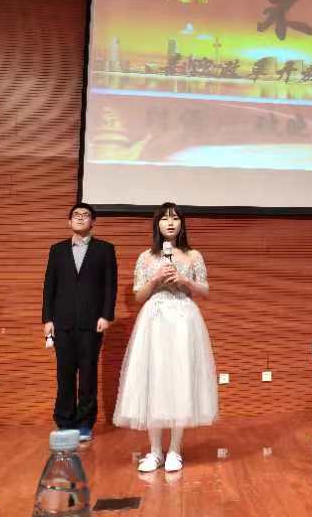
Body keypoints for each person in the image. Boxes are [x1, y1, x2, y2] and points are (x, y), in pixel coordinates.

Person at [113, 202, 218, 472]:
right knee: (154, 379)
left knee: (180, 379)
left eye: (175, 218)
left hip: (184, 319)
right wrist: (156, 278)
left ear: (182, 224)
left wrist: (185, 281)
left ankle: (174, 450)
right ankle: (155, 451)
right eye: (164, 219)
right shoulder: (146, 257)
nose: (170, 223)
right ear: (157, 224)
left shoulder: (193, 255)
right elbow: (138, 295)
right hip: (155, 320)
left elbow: (205, 290)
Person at [42, 202, 117, 441]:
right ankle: (64, 421)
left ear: (93, 221)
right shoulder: (57, 250)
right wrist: (47, 319)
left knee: (87, 374)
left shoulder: (104, 249)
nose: (81, 218)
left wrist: (106, 315)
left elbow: (110, 285)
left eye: (86, 215)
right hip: (62, 322)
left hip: (91, 322)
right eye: (76, 215)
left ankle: (85, 423)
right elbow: (49, 286)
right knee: (64, 374)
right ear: (69, 221)